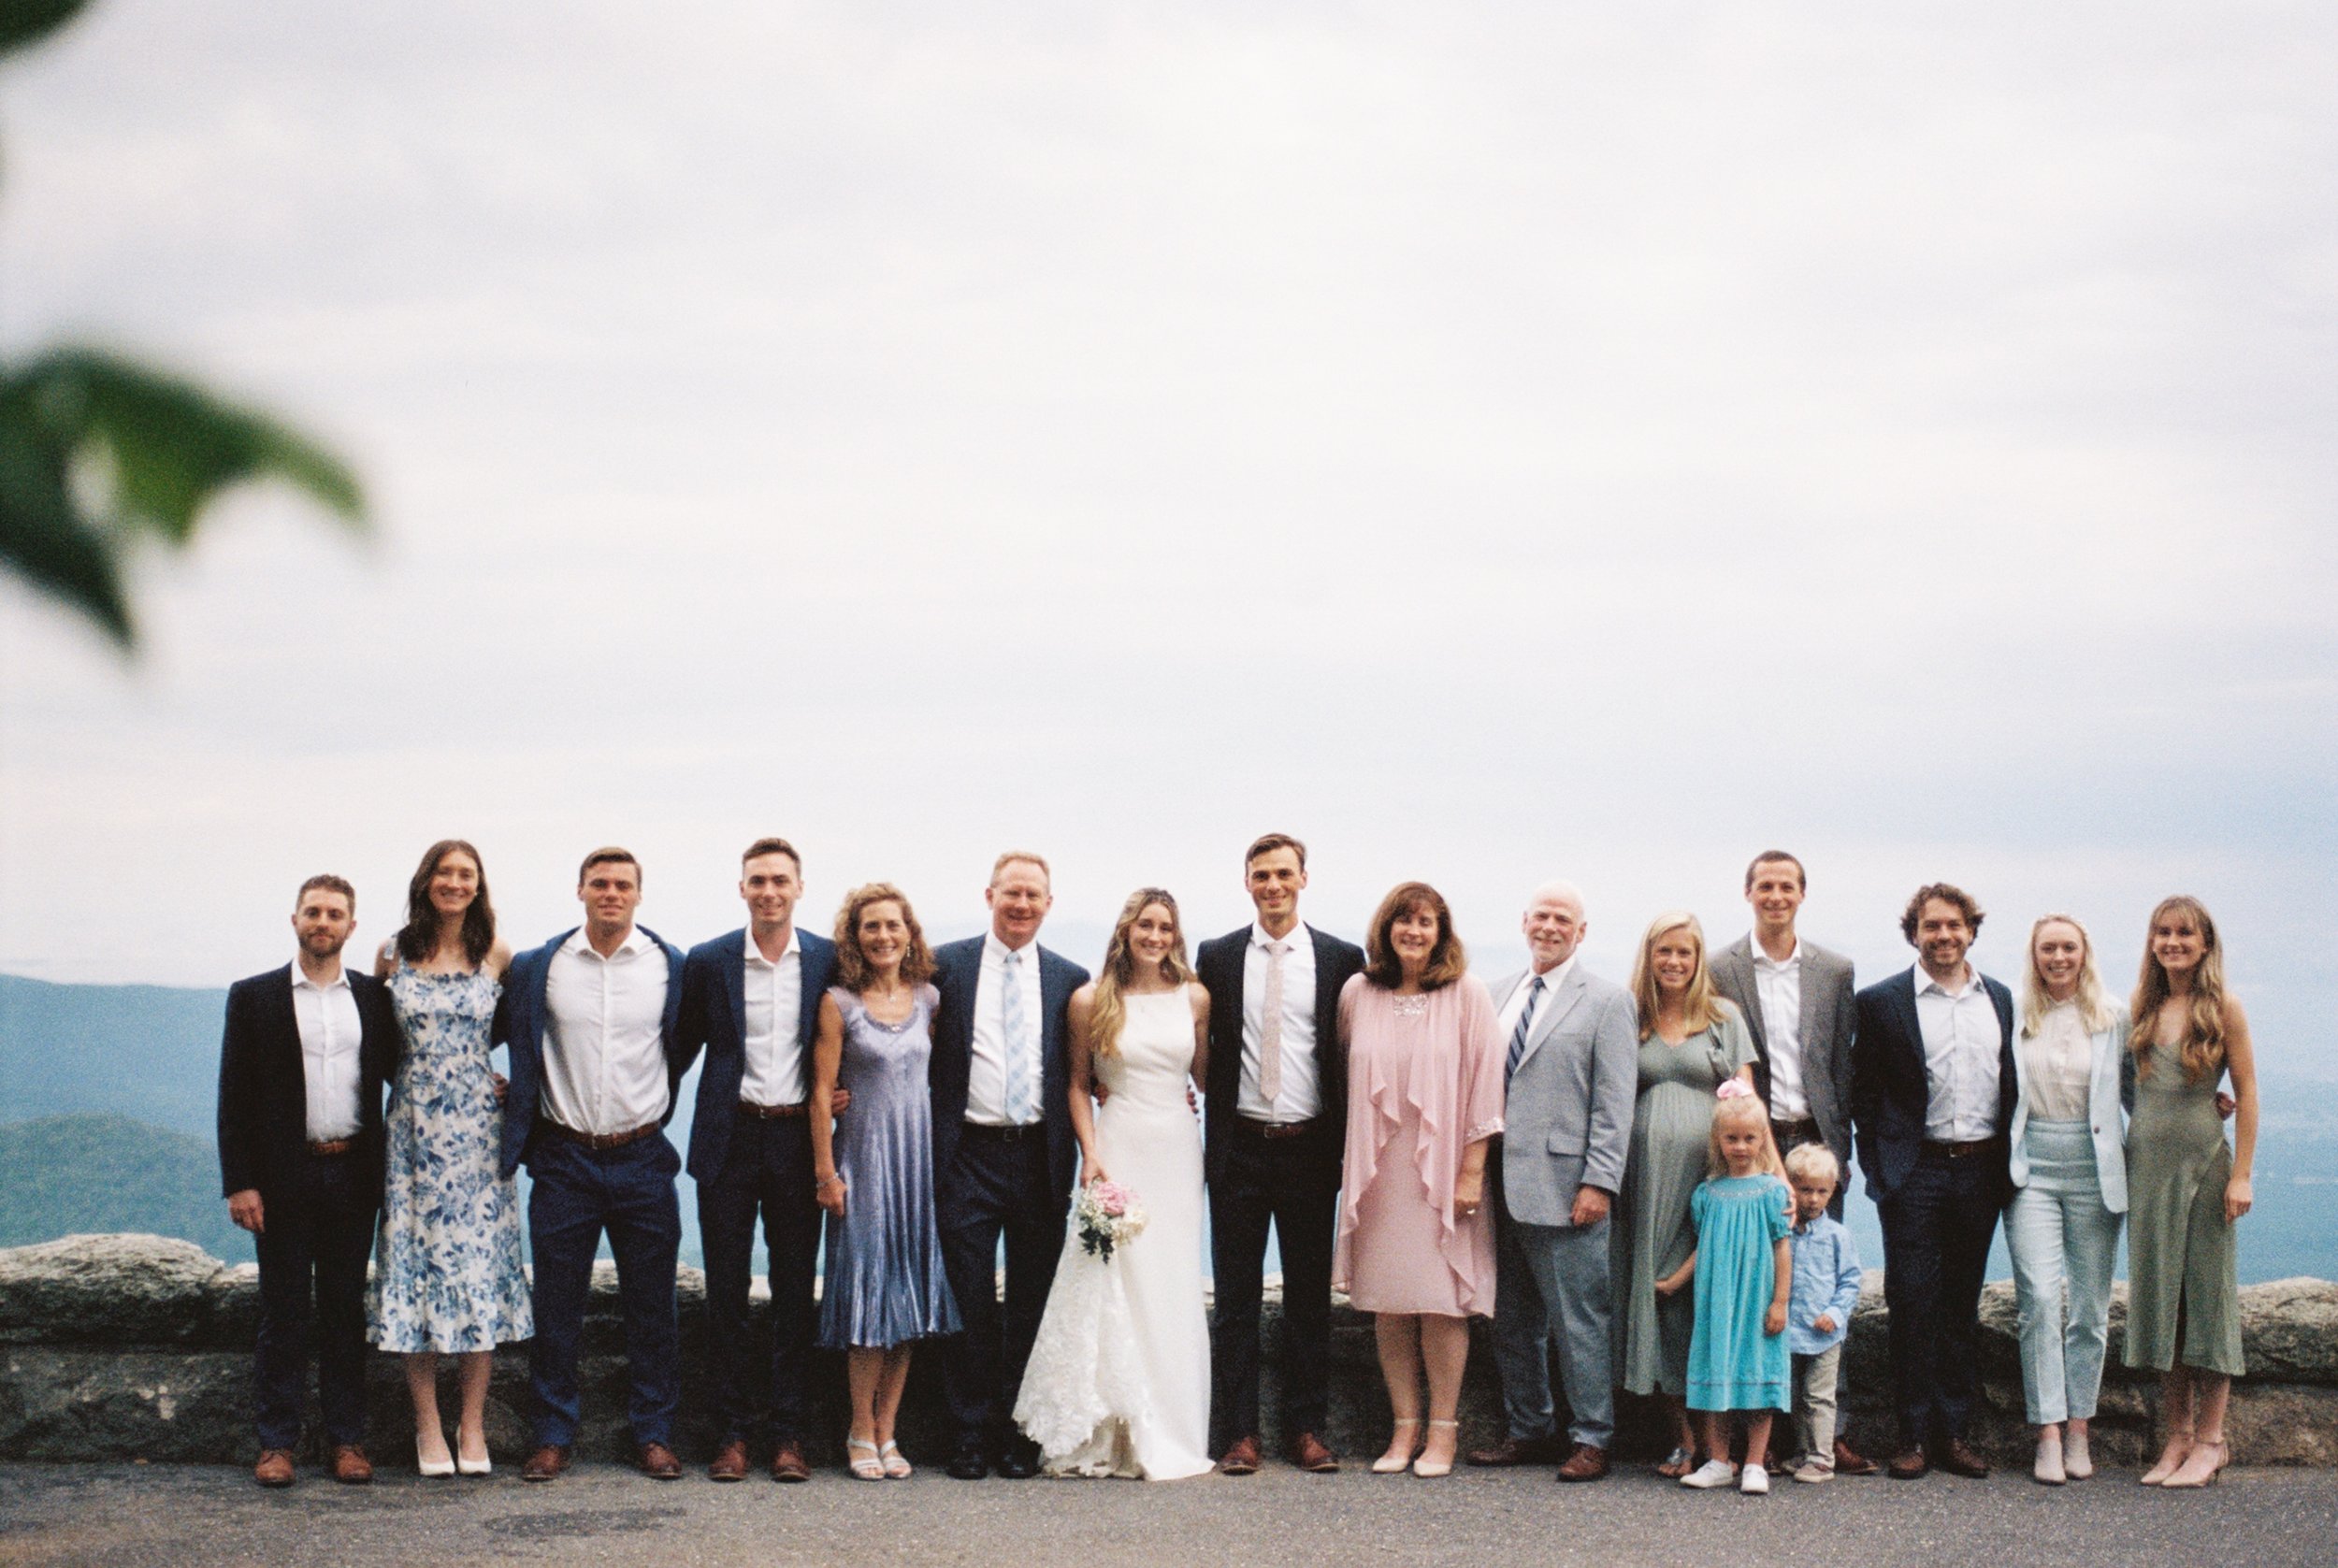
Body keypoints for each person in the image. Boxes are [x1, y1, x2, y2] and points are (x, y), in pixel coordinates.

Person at [496, 848, 691, 1483]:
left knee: (652, 1304)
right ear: (580, 888)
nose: (611, 892)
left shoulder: (671, 966)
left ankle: (654, 1433)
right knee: (555, 1303)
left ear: (639, 893)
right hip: (563, 1155)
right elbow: (483, 1026)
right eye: (600, 883)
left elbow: (685, 1045)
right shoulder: (540, 966)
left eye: (623, 884)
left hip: (641, 1154)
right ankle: (552, 1433)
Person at [1014, 887, 1213, 1480]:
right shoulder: (1090, 1000)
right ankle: (1113, 1425)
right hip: (1120, 1142)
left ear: (1176, 935)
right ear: (1126, 931)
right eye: (1145, 925)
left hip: (1178, 1147)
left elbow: (1205, 1076)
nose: (1156, 936)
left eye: (1166, 927)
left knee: (1171, 1281)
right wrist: (1091, 1153)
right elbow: (1078, 1083)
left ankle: (1172, 1426)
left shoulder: (1195, 997)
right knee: (1119, 1280)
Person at [218, 873, 401, 1488]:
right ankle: (277, 1443)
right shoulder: (255, 996)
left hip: (353, 1170)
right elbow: (234, 1094)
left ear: (352, 926)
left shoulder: (376, 998)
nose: (323, 921)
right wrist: (240, 1182)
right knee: (285, 1309)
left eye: (335, 913)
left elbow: (411, 1069)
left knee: (347, 1309)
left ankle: (346, 1440)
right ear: (295, 920)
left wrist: (485, 1083)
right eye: (313, 911)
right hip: (281, 1176)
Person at [1197, 832, 1367, 1475]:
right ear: (1247, 882)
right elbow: (1199, 1039)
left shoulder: (1340, 957)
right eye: (1261, 875)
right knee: (1236, 1299)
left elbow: (1353, 1047)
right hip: (1240, 1145)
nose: (1272, 885)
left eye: (1283, 874)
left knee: (1308, 1298)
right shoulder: (1215, 955)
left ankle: (1307, 1428)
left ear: (1303, 878)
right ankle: (1239, 1433)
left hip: (1309, 1146)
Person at [676, 837, 842, 1483]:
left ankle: (789, 1433)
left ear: (799, 887)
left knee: (796, 1289)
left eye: (779, 880)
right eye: (757, 880)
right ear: (741, 887)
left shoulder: (827, 960)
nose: (768, 890)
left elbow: (848, 1032)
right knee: (726, 1291)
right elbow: (678, 1046)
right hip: (730, 1136)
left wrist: (844, 1090)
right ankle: (732, 1432)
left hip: (801, 1138)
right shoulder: (710, 960)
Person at [367, 840, 528, 1478]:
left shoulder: (500, 954)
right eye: (445, 872)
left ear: (479, 884)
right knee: (416, 1267)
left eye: (466, 874)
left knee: (479, 1270)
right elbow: (375, 1043)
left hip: (477, 1134)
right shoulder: (392, 952)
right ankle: (427, 1421)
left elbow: (523, 1037)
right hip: (411, 1128)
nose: (454, 882)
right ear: (426, 880)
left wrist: (512, 1086)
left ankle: (473, 1422)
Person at [1334, 883, 1505, 1478]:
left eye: (1425, 922)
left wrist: (1472, 1170)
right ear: (1386, 929)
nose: (1413, 931)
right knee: (1389, 1302)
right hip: (1379, 1170)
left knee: (1440, 1302)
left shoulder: (1468, 994)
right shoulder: (1359, 992)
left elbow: (1488, 1085)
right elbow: (1343, 1077)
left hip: (1442, 1168)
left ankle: (1444, 1430)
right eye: (1403, 921)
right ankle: (1403, 1427)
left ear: (1442, 931)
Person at [930, 852, 1091, 1479]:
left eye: (1033, 894)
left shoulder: (1069, 978)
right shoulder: (946, 966)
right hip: (965, 1152)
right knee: (967, 1296)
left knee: (1032, 1298)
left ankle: (1021, 1430)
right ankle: (969, 1431)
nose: (1021, 904)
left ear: (1049, 904)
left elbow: (1084, 1063)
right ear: (989, 894)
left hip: (1038, 1153)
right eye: (1011, 892)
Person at [1468, 881, 1636, 1482]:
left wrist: (1600, 1182)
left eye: (1563, 918)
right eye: (1541, 915)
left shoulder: (1608, 1001)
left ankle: (1593, 1436)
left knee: (1578, 1320)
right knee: (1511, 1319)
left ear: (1581, 932)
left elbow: (1615, 1105)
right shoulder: (1494, 994)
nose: (1550, 926)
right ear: (1523, 922)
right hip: (1496, 1185)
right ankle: (1529, 1430)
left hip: (1568, 1188)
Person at [1850, 882, 2017, 1480]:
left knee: (1960, 1305)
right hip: (1914, 1170)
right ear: (1914, 934)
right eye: (1931, 926)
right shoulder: (1882, 1002)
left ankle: (1954, 1433)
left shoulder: (1998, 999)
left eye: (1954, 925)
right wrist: (1881, 1172)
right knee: (1911, 1302)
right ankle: (1912, 1436)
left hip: (1979, 1168)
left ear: (1971, 930)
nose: (1943, 935)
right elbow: (1863, 1096)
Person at [812, 883, 960, 1480]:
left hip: (916, 1164)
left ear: (909, 933)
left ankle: (888, 1430)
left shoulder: (929, 998)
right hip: (862, 1162)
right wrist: (826, 1173)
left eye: (892, 925)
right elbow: (823, 1091)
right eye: (871, 926)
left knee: (911, 1302)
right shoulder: (839, 1003)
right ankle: (858, 1429)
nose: (883, 936)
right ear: (856, 936)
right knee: (869, 1303)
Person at [1610, 912, 1755, 1477]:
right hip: (1641, 1182)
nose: (1673, 962)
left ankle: (1721, 1441)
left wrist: (1765, 1177)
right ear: (1649, 957)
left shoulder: (1723, 1019)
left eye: (1684, 953)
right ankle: (1683, 1440)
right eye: (1663, 952)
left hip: (1709, 1178)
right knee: (1656, 1298)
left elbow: (1747, 1106)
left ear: (1699, 961)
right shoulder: (1631, 1016)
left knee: (1700, 1300)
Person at [2124, 895, 2258, 1489]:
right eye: (2163, 933)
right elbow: (2129, 1090)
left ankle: (2212, 1441)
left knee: (2207, 1299)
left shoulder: (2223, 1007)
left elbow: (2248, 1093)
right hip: (2146, 1170)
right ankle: (2175, 1436)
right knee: (2162, 1306)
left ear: (2204, 943)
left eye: (2184, 934)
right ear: (2152, 942)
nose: (2173, 942)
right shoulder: (2143, 1005)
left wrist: (2243, 1173)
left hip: (2205, 1168)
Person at [2006, 913, 2130, 1486]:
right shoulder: (2015, 1015)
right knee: (2036, 1298)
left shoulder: (2114, 1016)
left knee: (2088, 1307)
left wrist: (2210, 1102)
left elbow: (2140, 1085)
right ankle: (2048, 1432)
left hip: (2095, 1168)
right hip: (2031, 1168)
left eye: (2069, 947)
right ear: (2035, 955)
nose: (2059, 957)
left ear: (2085, 953)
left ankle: (2080, 1425)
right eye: (2048, 948)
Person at [1662, 1085, 1794, 1494]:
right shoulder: (1707, 1194)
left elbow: (1781, 1249)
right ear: (1718, 1140)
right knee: (1715, 1374)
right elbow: (1704, 1248)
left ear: (1762, 1140)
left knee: (1757, 1375)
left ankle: (1755, 1463)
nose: (1740, 1146)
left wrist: (1780, 1302)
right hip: (1716, 1301)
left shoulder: (1772, 1192)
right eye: (1731, 1138)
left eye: (1750, 1138)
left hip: (1756, 1301)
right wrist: (1673, 1282)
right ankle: (1719, 1460)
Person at [1780, 1142, 1862, 1484]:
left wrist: (1835, 1313)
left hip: (1825, 1333)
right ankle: (1802, 1451)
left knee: (1819, 1396)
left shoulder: (1837, 1236)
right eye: (1805, 1190)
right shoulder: (1784, 1233)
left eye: (1821, 1191)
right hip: (1791, 1329)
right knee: (1796, 1396)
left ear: (1832, 1191)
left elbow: (1851, 1280)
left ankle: (1822, 1457)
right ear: (1791, 1186)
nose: (1813, 1199)